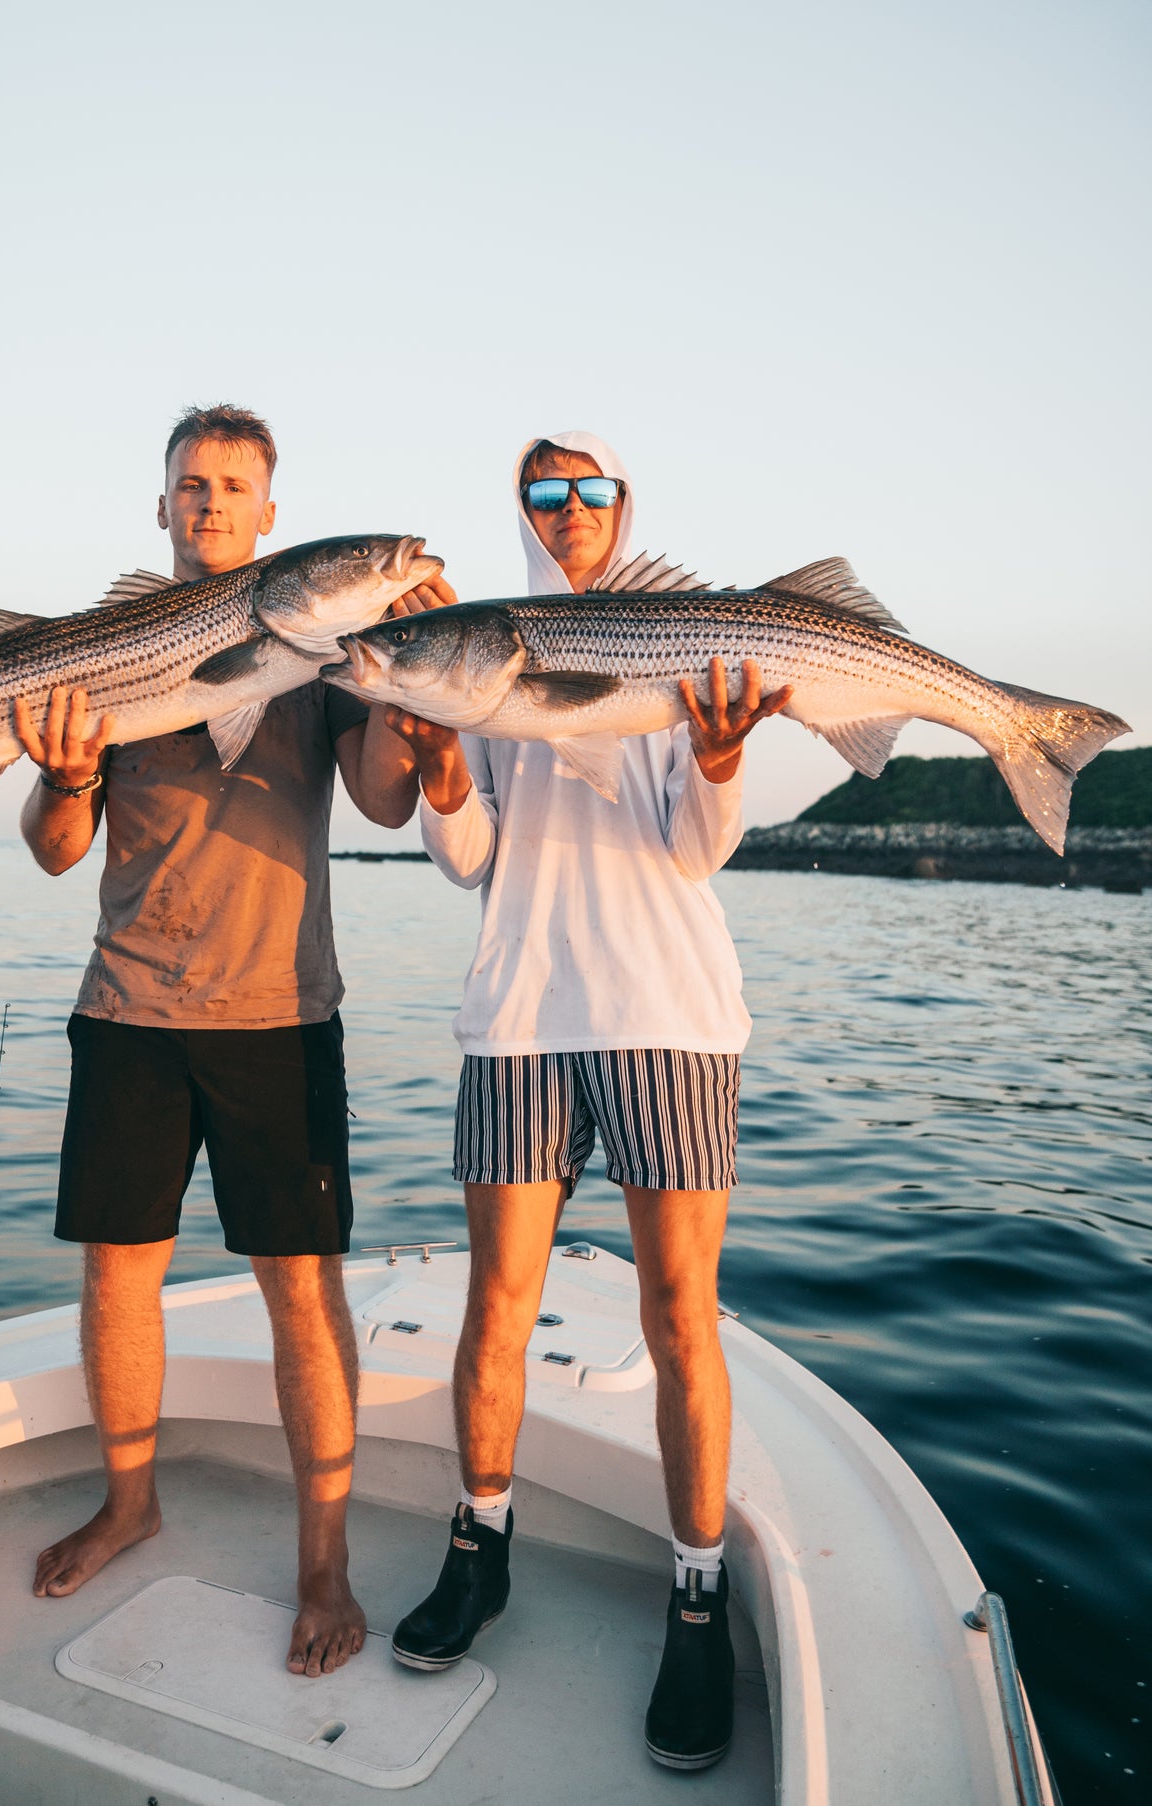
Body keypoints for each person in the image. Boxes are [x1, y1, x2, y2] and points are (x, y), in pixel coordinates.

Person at [12, 402, 454, 1679]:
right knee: (116, 1280)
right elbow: (52, 853)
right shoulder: (102, 652)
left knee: (303, 1293)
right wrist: (68, 773)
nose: (208, 502)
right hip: (128, 1010)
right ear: (161, 510)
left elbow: (378, 801)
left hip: (280, 1015)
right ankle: (130, 1499)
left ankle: (323, 1561)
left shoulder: (327, 658)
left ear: (272, 517)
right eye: (188, 485)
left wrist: (410, 689)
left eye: (233, 487)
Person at [383, 430, 790, 1769]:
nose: (564, 509)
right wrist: (446, 771)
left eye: (586, 490)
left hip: (669, 1016)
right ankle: (479, 1545)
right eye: (540, 492)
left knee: (681, 1312)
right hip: (518, 1015)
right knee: (495, 1302)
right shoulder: (481, 650)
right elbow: (471, 856)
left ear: (622, 505)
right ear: (522, 510)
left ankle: (694, 1588)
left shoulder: (679, 639)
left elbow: (695, 845)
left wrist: (721, 759)